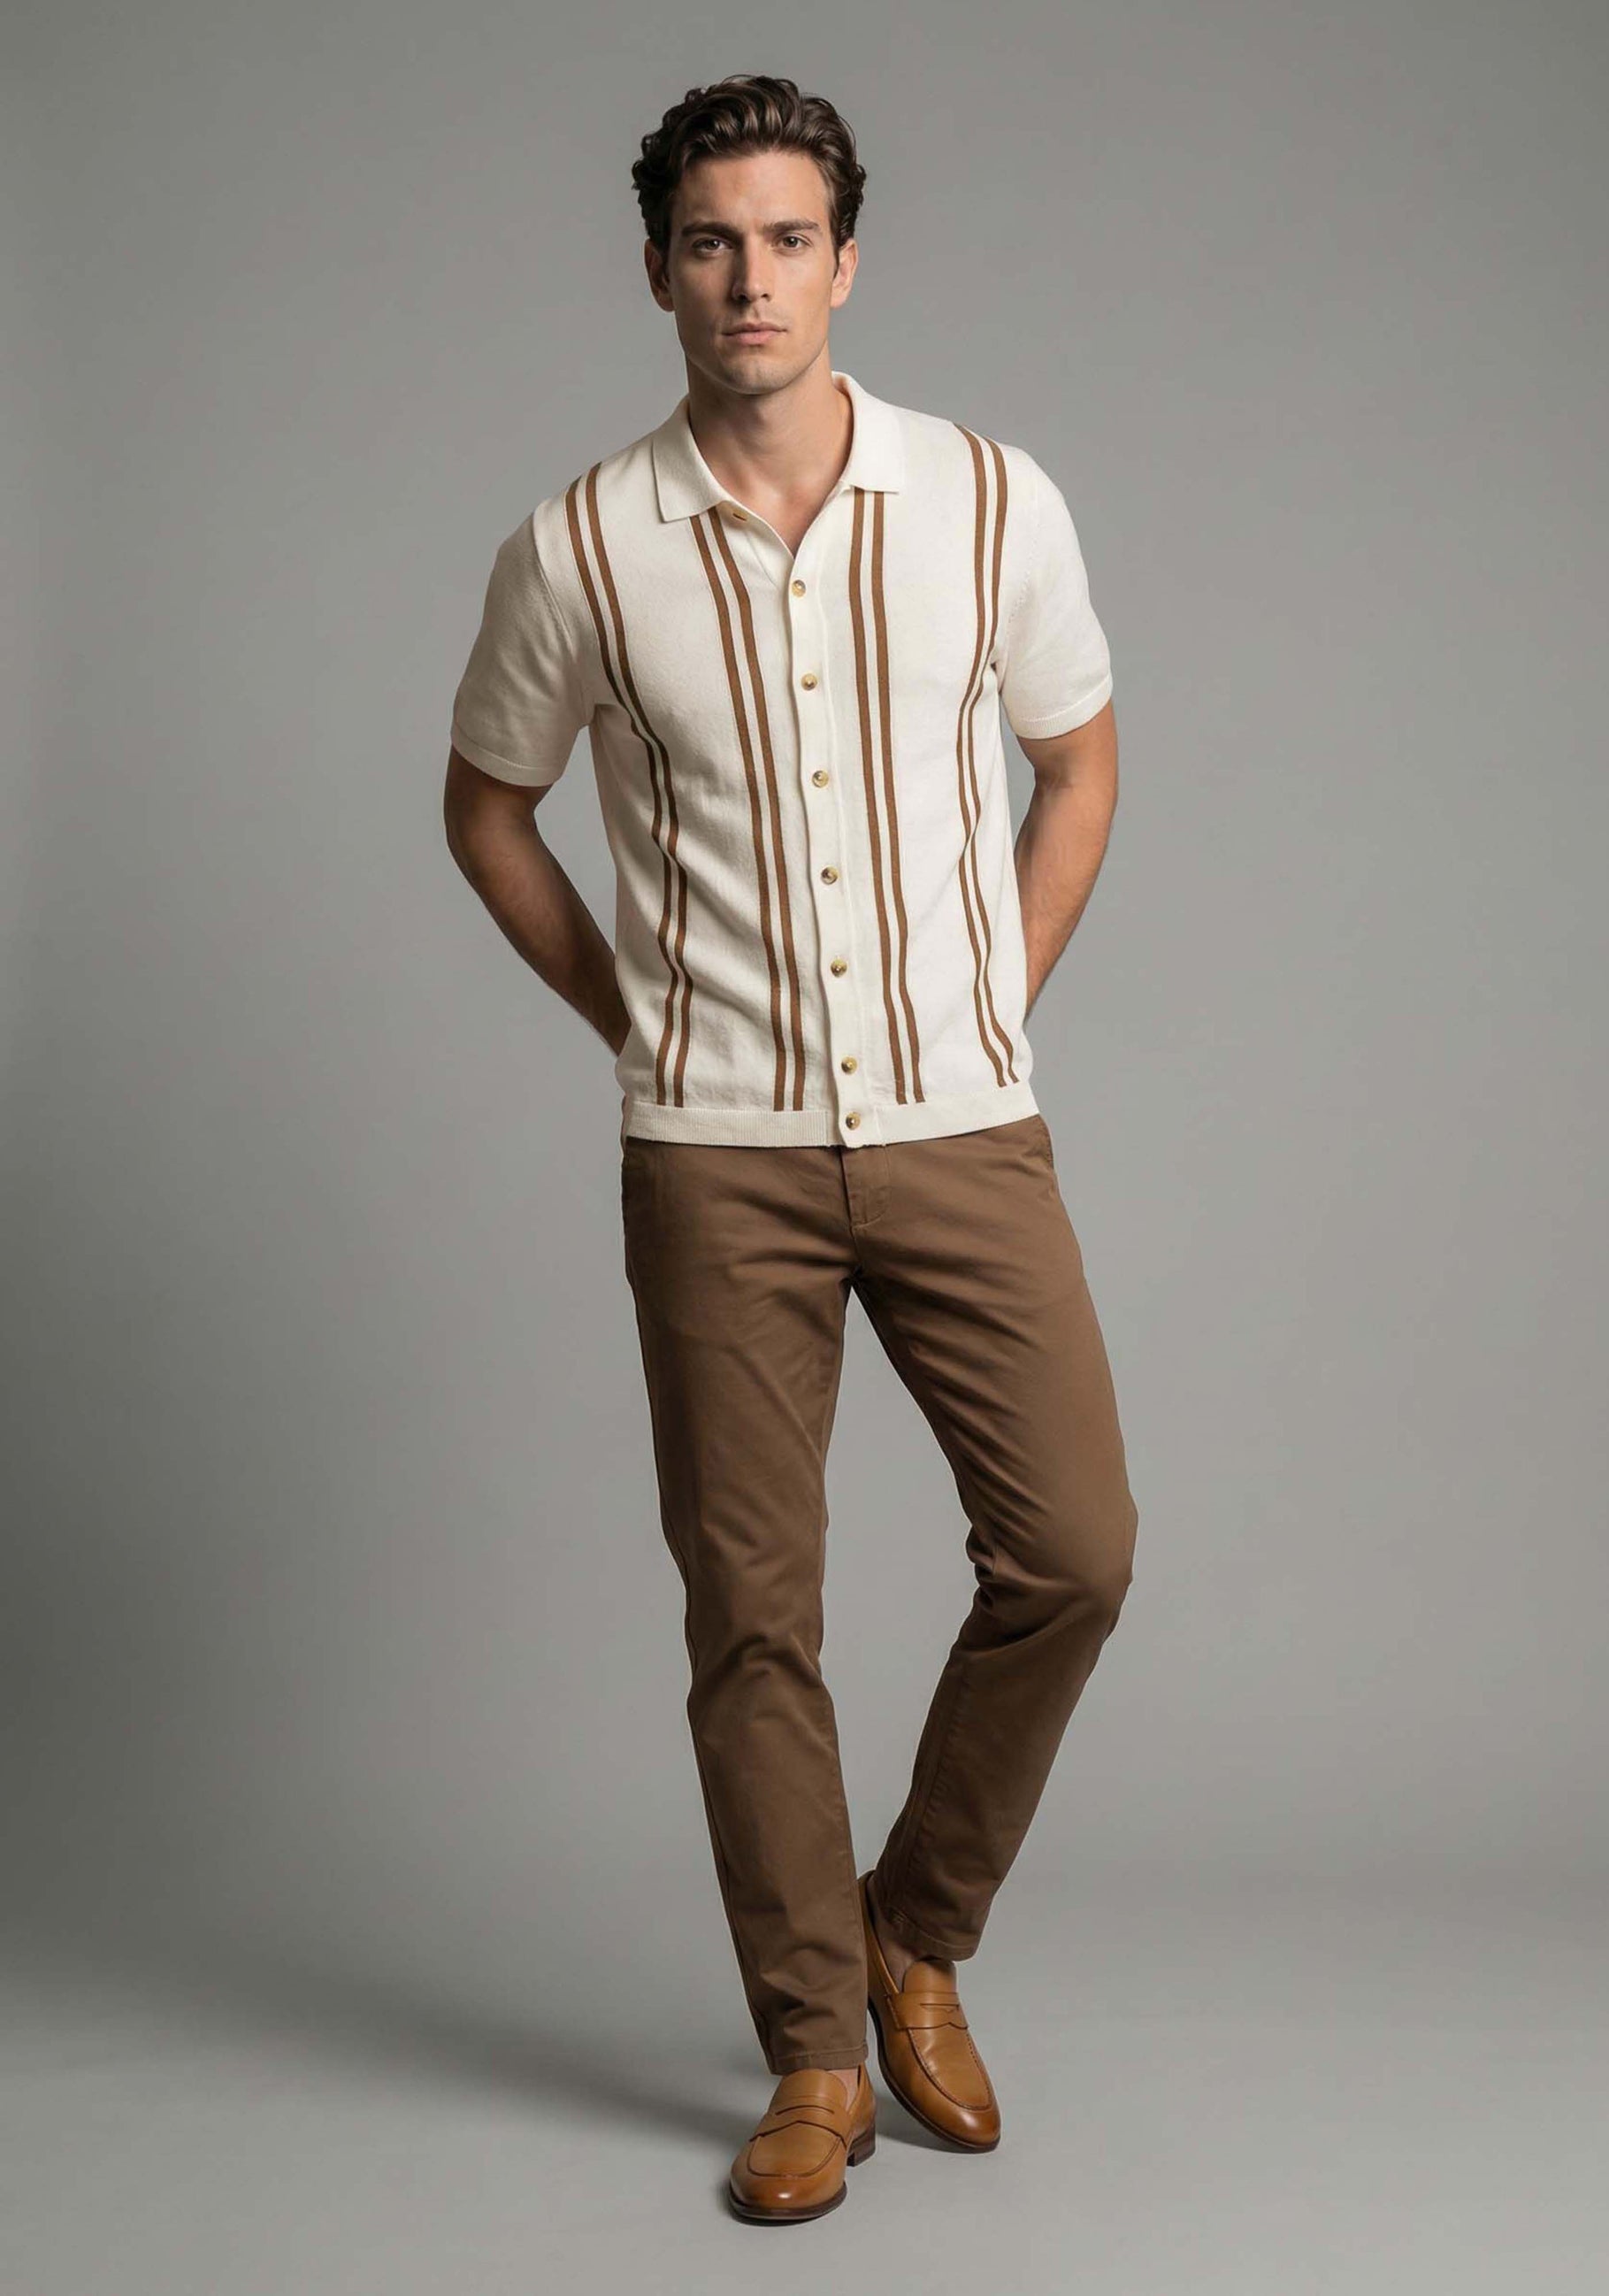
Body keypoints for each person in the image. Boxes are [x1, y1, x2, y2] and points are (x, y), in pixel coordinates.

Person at [442, 73, 1138, 2225]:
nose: (748, 278)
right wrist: (631, 1015)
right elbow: (486, 805)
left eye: (785, 239)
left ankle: (913, 1925)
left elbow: (1080, 761)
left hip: (961, 1124)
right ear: (657, 268)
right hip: (712, 1153)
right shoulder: (577, 545)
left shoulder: (991, 500)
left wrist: (994, 997)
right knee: (752, 1613)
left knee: (1075, 1548)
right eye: (707, 242)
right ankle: (814, 2052)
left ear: (847, 260)